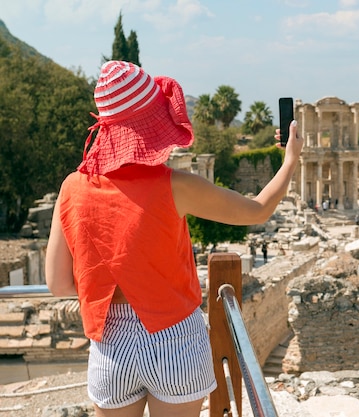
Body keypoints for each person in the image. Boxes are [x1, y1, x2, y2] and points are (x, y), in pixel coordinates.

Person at [45, 61, 304, 417]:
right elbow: (258, 209)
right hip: (175, 339)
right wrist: (289, 161)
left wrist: (115, 280)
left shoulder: (72, 188)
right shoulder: (176, 186)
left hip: (110, 344)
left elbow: (58, 283)